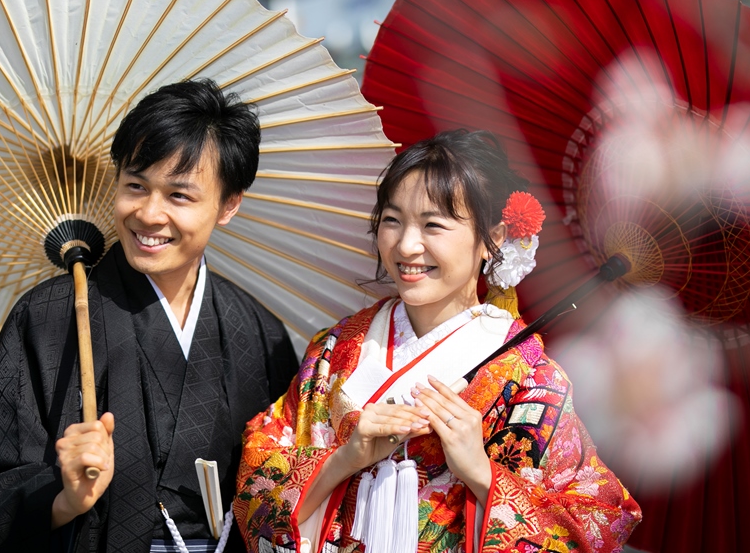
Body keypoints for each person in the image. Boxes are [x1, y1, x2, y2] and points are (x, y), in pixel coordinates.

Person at [235, 130, 642, 553]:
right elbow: (257, 478)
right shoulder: (334, 349)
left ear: (494, 237)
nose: (407, 246)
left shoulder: (529, 379)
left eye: (433, 225)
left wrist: (482, 475)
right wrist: (344, 459)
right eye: (392, 220)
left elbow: (597, 518)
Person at [0, 79, 299, 552]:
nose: (148, 214)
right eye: (135, 185)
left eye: (179, 196)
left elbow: (285, 489)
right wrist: (65, 496)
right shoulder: (49, 318)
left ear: (229, 204)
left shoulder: (258, 333)